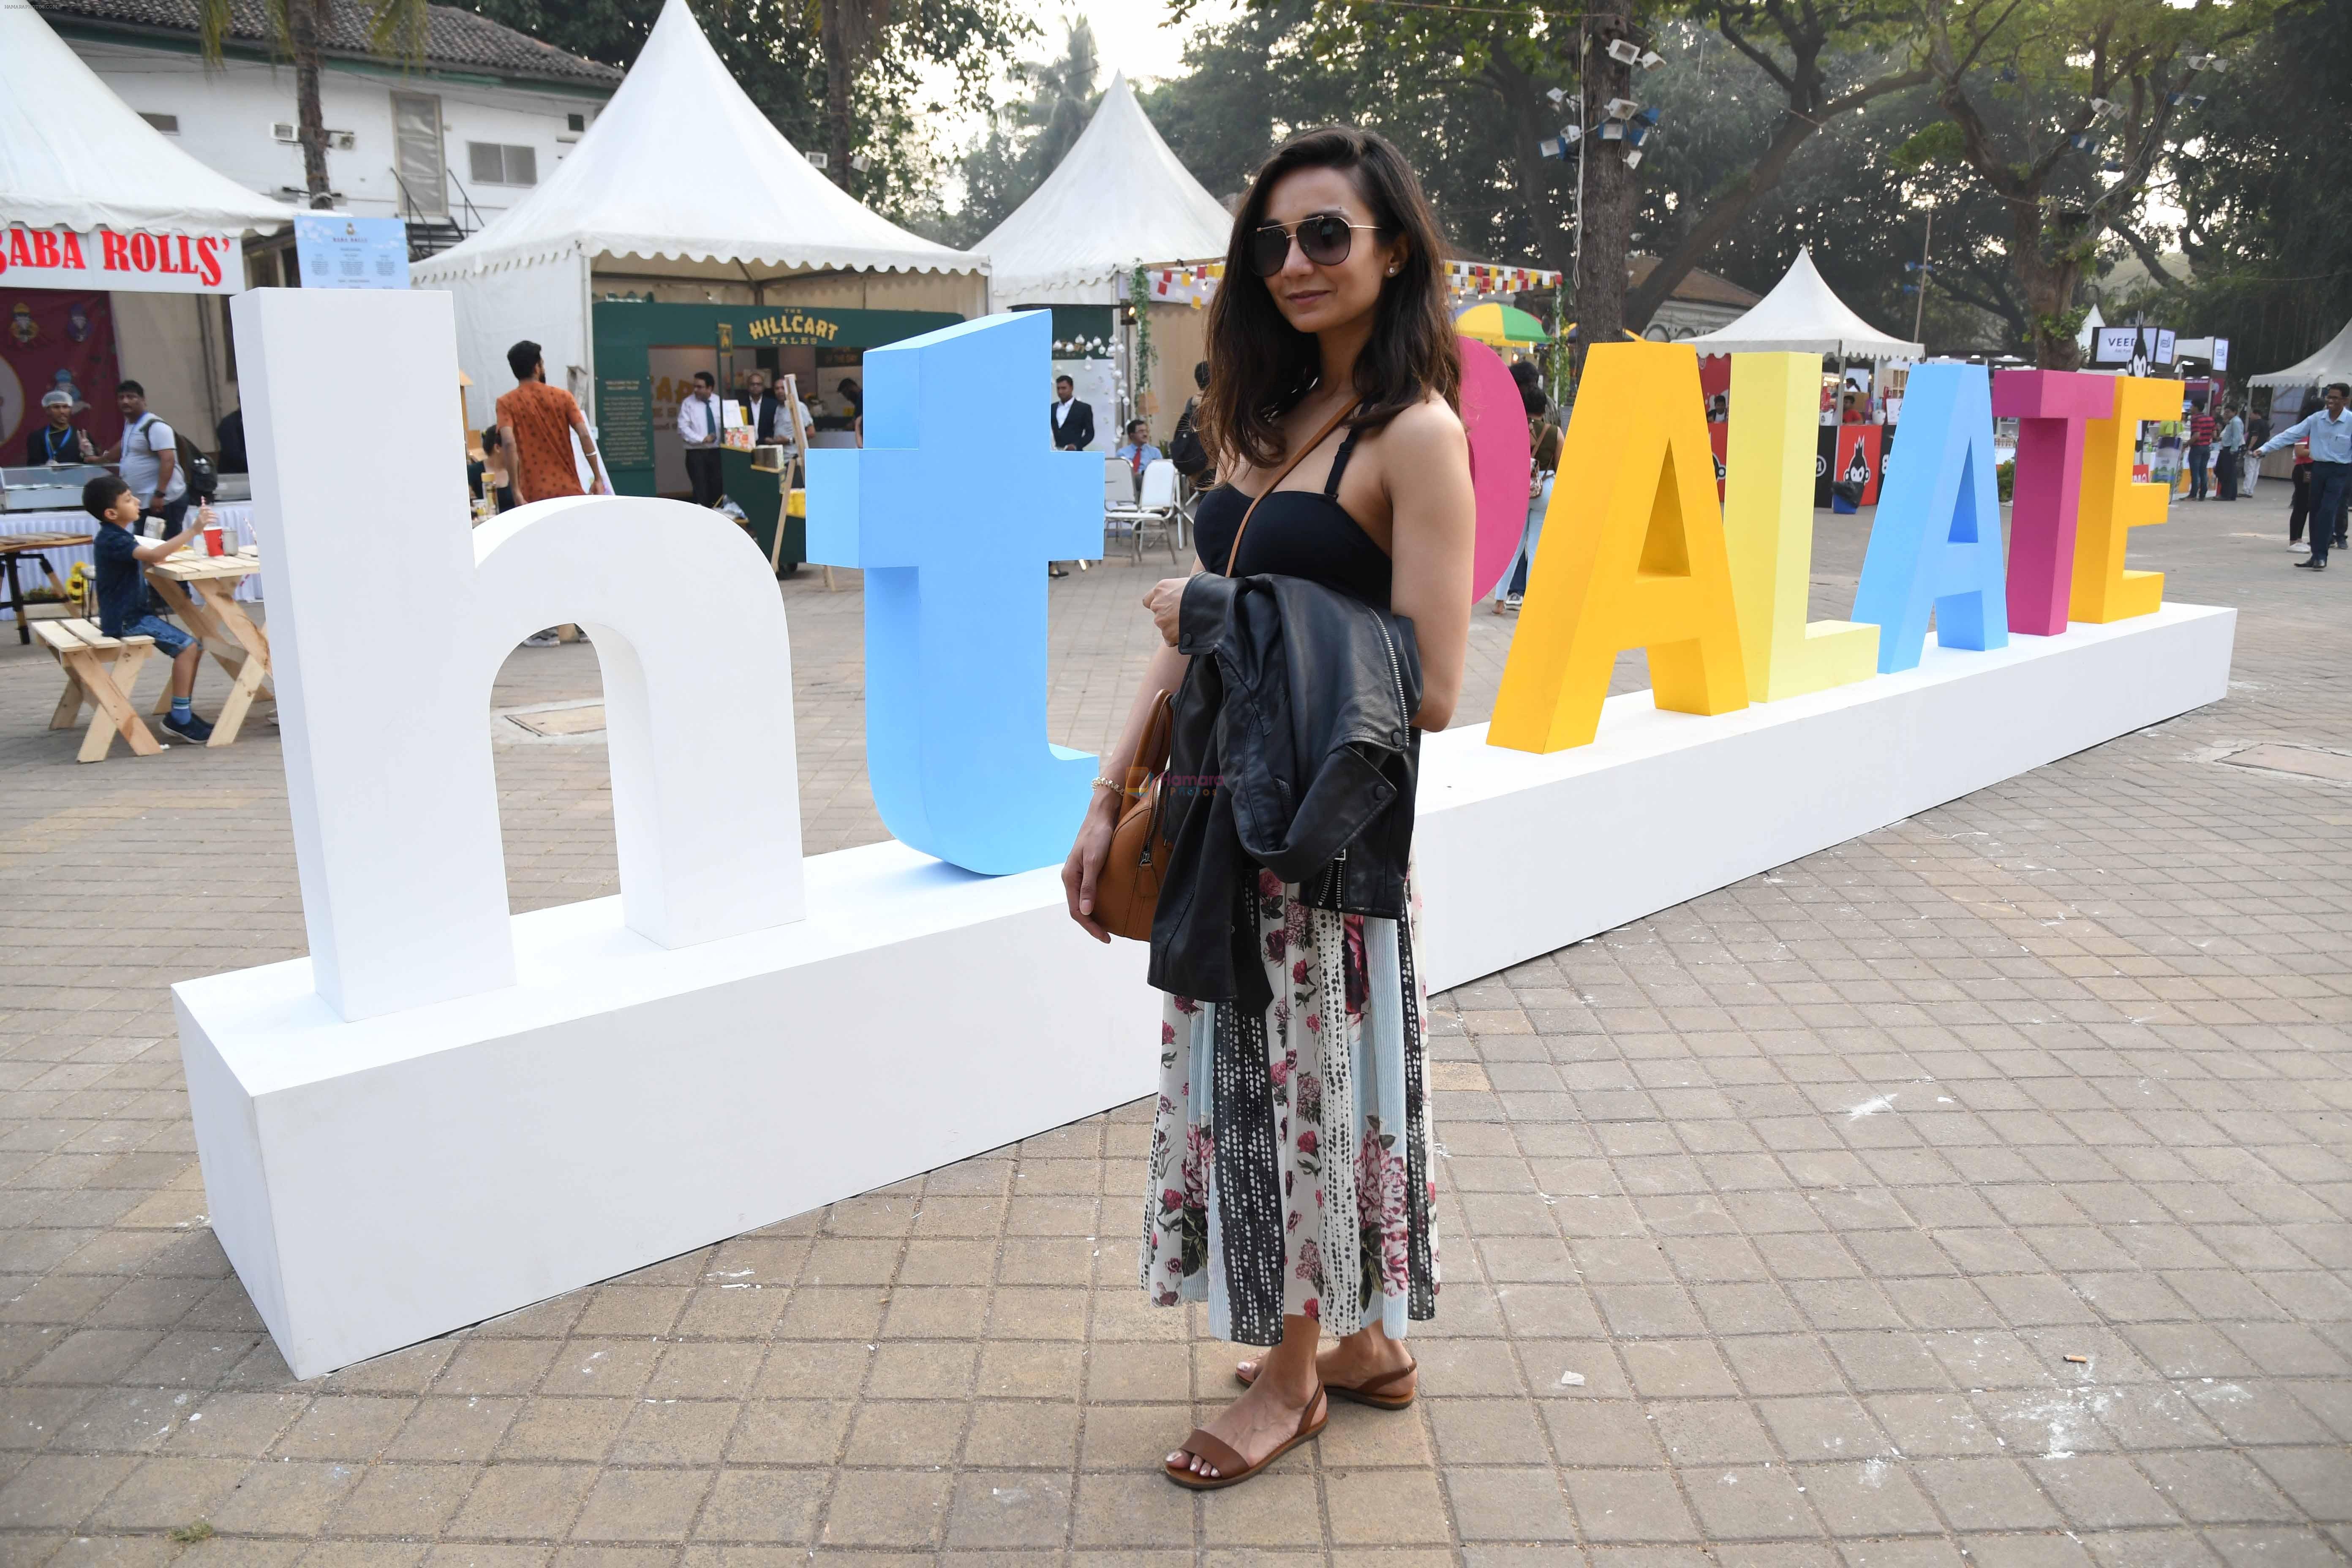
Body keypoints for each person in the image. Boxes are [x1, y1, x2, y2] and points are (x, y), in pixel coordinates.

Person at [1063, 123, 1473, 1490]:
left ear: (1392, 251)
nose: (1291, 262)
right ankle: (1363, 1348)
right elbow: (1182, 638)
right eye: (1271, 240)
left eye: (1324, 236)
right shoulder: (1265, 416)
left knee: (1300, 1095)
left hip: (1316, 842)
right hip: (1214, 824)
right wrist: (1105, 790)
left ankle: (1293, 1380)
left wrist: (1226, 607)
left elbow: (1428, 681)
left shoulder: (1415, 436)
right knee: (1246, 1082)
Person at [82, 473, 214, 743]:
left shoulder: (117, 535)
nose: (137, 501)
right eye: (129, 499)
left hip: (129, 614)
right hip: (126, 620)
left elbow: (142, 563)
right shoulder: (112, 538)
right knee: (189, 647)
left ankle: (182, 712)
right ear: (111, 513)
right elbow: (153, 556)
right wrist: (193, 531)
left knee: (194, 648)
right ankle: (180, 718)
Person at [497, 339, 609, 646]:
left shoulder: (507, 403)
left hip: (534, 495)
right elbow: (585, 435)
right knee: (576, 555)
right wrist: (597, 477)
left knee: (539, 560)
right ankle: (588, 626)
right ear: (537, 366)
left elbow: (509, 443)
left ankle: (544, 630)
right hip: (569, 490)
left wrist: (516, 488)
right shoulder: (563, 397)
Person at [2254, 381, 2352, 569]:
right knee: (2314, 511)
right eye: (2329, 397)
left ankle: (2321, 556)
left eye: (2335, 398)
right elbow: (2291, 434)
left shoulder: (2350, 422)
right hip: (2319, 469)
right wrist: (2265, 448)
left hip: (2340, 472)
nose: (2330, 401)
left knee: (2327, 511)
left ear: (2345, 400)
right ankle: (2316, 555)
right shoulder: (2317, 419)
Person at [1492, 379, 1563, 613]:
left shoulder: (1513, 428)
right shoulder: (1555, 433)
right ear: (1544, 409)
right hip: (1545, 489)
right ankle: (1531, 604)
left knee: (1513, 547)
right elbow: (1563, 465)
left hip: (1518, 491)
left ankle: (1500, 602)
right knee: (1535, 548)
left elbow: (1502, 461)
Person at [97, 381, 187, 535]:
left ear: (143, 400)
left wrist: (160, 494)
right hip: (142, 502)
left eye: (131, 397)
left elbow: (168, 460)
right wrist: (99, 460)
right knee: (146, 548)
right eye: (121, 398)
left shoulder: (155, 426)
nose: (125, 401)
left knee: (169, 550)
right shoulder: (131, 425)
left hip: (164, 501)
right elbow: (124, 446)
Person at [675, 370, 728, 509]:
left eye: (700, 387)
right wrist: (702, 439)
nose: (696, 390)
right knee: (700, 488)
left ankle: (718, 515)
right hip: (696, 453)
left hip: (717, 452)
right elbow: (683, 428)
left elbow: (728, 425)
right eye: (695, 386)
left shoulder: (719, 402)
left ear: (710, 388)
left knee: (718, 486)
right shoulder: (688, 403)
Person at [25, 388, 96, 466]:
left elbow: (94, 467)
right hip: (48, 478)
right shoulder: (37, 437)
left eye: (65, 407)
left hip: (77, 478)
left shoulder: (82, 436)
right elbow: (32, 468)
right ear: (47, 410)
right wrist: (44, 468)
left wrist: (89, 455)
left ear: (71, 410)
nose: (62, 412)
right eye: (56, 407)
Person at [1114, 419, 1161, 498]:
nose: (1145, 434)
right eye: (1141, 432)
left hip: (1152, 484)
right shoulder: (1122, 453)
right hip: (1129, 487)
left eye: (1146, 431)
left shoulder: (1155, 452)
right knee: (1138, 479)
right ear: (1132, 435)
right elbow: (1121, 474)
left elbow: (1161, 472)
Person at [477, 425, 519, 514]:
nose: (516, 451)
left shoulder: (519, 471)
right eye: (512, 447)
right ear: (497, 448)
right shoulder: (472, 473)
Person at [1050, 375, 1095, 452]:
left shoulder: (1084, 408)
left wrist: (1076, 446)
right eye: (1058, 389)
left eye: (1064, 388)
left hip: (1075, 454)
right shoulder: (1052, 408)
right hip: (1053, 453)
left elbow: (1090, 434)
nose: (1060, 392)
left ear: (1072, 388)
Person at [2186, 404, 2214, 500]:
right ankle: (2203, 494)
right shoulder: (2210, 419)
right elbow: (2214, 434)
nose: (2190, 408)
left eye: (2192, 407)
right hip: (2207, 447)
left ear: (2196, 407)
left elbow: (2197, 435)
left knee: (2195, 472)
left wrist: (2187, 444)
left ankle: (2193, 494)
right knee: (2203, 471)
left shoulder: (2195, 419)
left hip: (2197, 448)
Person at [2217, 405, 2244, 501]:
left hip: (2230, 449)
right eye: (2226, 412)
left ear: (2235, 412)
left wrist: (2233, 450)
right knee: (2230, 472)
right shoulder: (2232, 421)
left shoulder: (2236, 422)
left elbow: (2237, 437)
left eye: (2228, 412)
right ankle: (2231, 494)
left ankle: (2226, 494)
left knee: (2227, 472)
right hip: (2228, 447)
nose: (2227, 414)